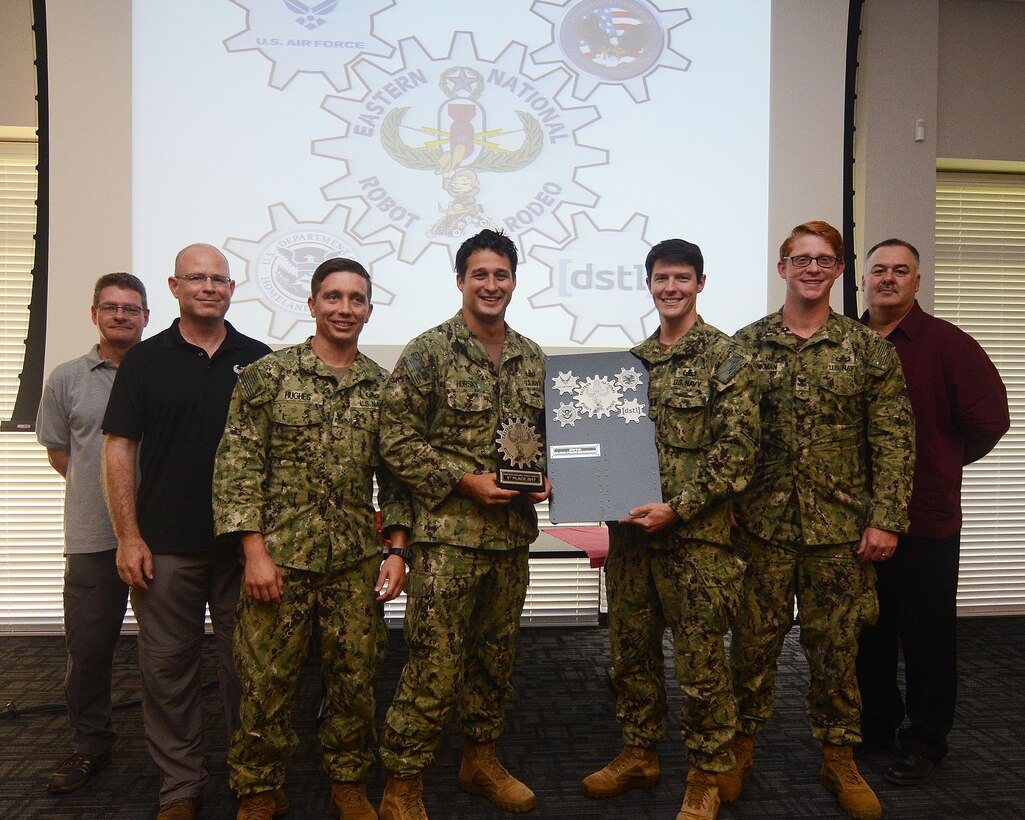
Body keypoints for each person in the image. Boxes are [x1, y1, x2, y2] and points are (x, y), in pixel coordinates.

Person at [724, 221, 915, 820]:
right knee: (752, 649)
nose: (811, 269)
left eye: (824, 260)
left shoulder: (868, 351)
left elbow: (893, 440)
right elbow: (721, 439)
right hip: (760, 530)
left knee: (837, 652)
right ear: (782, 269)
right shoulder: (744, 347)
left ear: (838, 271)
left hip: (840, 533)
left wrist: (886, 519)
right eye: (800, 259)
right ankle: (741, 747)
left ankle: (840, 759)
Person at [212, 258, 413, 819]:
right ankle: (256, 791)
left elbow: (394, 477)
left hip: (353, 561)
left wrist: (396, 549)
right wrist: (253, 553)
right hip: (280, 560)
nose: (344, 309)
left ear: (369, 309)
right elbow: (237, 467)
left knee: (355, 678)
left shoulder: (382, 387)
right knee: (264, 682)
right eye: (333, 297)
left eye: (355, 299)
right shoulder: (268, 377)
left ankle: (348, 784)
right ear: (312, 304)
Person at [580, 239, 760, 820]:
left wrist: (678, 507)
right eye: (661, 278)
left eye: (682, 278)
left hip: (696, 541)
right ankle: (640, 752)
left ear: (701, 284)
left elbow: (737, 454)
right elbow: (605, 448)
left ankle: (707, 773)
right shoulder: (627, 366)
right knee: (630, 653)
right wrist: (586, 483)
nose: (671, 288)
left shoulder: (727, 359)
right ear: (649, 284)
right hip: (633, 541)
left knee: (701, 661)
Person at [376, 229, 550, 820]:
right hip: (448, 541)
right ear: (460, 282)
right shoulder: (429, 352)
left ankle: (480, 759)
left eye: (501, 275)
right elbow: (393, 438)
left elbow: (552, 440)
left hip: (511, 540)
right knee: (433, 662)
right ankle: (403, 784)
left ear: (514, 282)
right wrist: (463, 479)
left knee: (495, 659)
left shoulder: (532, 356)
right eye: (480, 274)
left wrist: (552, 477)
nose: (491, 285)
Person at [102, 244, 271, 820]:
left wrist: (265, 545)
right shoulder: (145, 363)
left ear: (231, 288)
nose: (209, 287)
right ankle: (180, 788)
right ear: (174, 287)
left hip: (243, 549)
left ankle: (253, 780)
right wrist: (128, 536)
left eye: (219, 278)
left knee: (248, 672)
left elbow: (281, 456)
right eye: (196, 278)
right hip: (164, 549)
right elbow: (119, 448)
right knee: (168, 671)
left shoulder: (261, 359)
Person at [855, 239, 1009, 785]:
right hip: (851, 521)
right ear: (862, 279)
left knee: (926, 638)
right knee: (864, 635)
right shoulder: (843, 342)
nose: (889, 279)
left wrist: (943, 460)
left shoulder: (947, 344)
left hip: (924, 520)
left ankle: (925, 741)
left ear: (918, 282)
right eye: (879, 270)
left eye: (902, 271)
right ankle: (874, 729)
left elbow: (989, 420)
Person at [35, 272, 149, 795]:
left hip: (163, 540)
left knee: (169, 652)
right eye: (111, 307)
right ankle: (90, 747)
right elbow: (62, 452)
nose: (121, 316)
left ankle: (171, 752)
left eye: (131, 308)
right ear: (94, 314)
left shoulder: (163, 371)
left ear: (147, 316)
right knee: (88, 650)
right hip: (91, 539)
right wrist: (103, 496)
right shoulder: (64, 378)